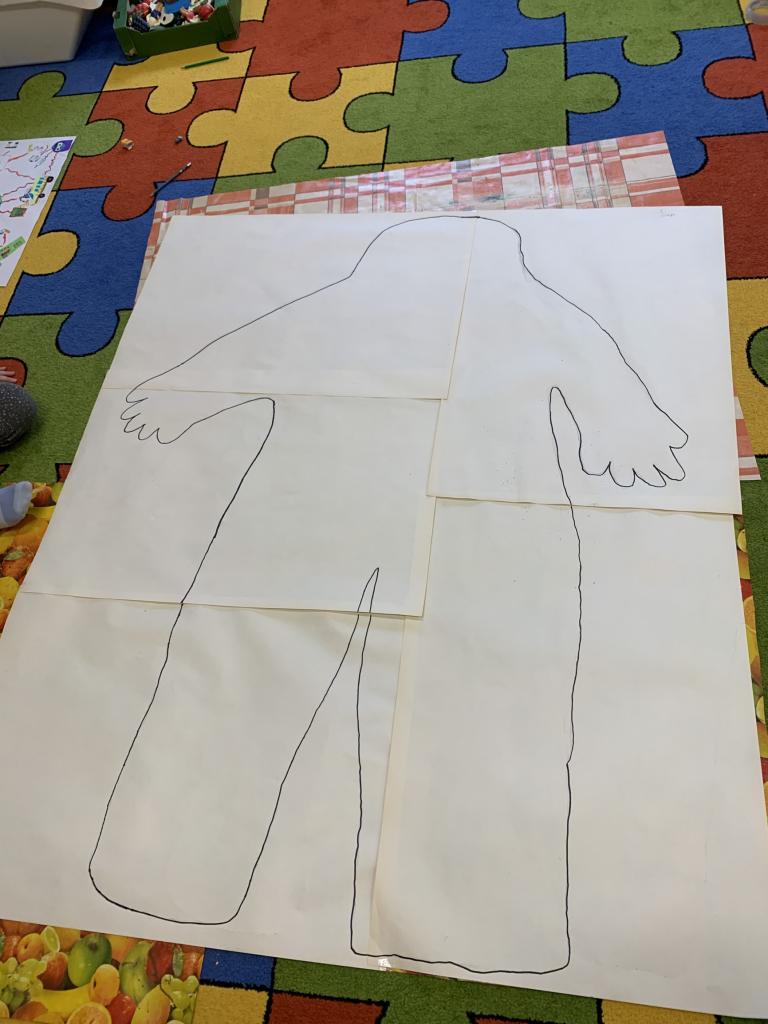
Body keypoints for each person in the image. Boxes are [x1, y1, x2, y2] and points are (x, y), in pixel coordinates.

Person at [88, 216, 687, 971]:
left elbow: (231, 360)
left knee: (260, 680)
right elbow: (624, 414)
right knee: (475, 704)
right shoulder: (531, 315)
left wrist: (178, 396)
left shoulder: (356, 306)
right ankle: (480, 924)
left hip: (354, 521)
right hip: (456, 532)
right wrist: (625, 431)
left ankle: (164, 868)